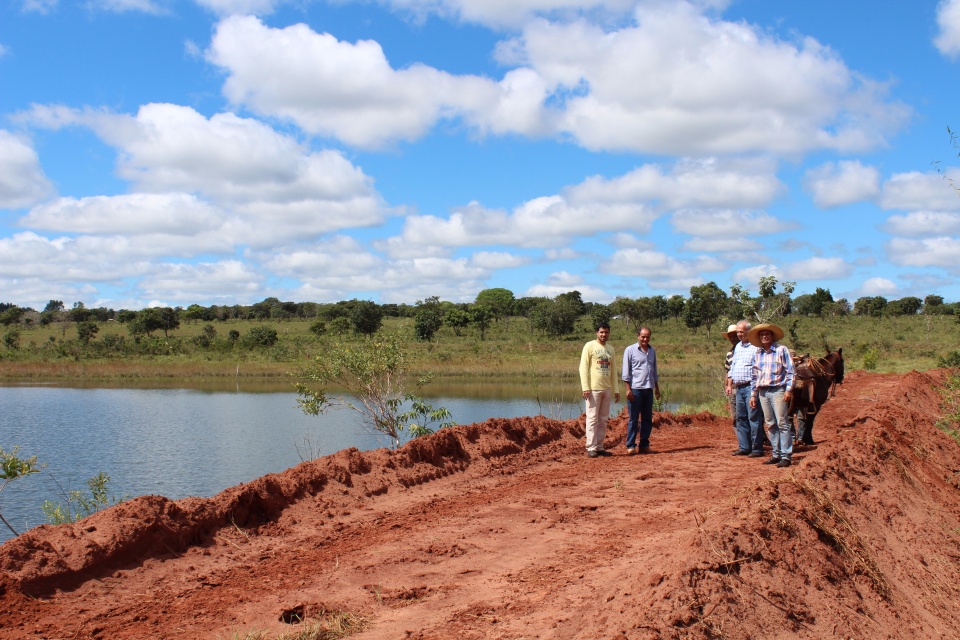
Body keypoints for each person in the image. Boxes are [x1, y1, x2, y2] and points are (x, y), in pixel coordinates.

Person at [748, 323, 796, 468]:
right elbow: (754, 376)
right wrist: (753, 394)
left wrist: (788, 390)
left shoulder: (781, 350)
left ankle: (786, 455)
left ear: (772, 336)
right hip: (763, 391)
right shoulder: (757, 354)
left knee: (782, 422)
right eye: (762, 335)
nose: (764, 337)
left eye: (767, 334)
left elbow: (791, 371)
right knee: (770, 423)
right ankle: (776, 454)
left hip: (777, 390)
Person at [580, 323, 620, 458]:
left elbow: (613, 370)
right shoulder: (589, 346)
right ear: (597, 333)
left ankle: (600, 446)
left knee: (603, 419)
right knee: (592, 418)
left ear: (609, 333)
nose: (604, 334)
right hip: (593, 389)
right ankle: (591, 447)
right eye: (601, 332)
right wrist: (585, 387)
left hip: (606, 388)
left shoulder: (610, 349)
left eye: (606, 332)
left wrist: (616, 390)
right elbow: (583, 368)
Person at [725, 320, 764, 458]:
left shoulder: (756, 347)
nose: (739, 335)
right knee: (741, 418)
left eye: (741, 332)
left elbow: (759, 368)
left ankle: (757, 448)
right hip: (739, 387)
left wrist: (755, 390)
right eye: (738, 332)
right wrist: (729, 384)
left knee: (753, 417)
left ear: (748, 332)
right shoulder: (738, 348)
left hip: (750, 387)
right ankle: (744, 446)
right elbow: (733, 367)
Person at [622, 326, 661, 454]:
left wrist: (657, 389)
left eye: (647, 337)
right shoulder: (630, 350)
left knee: (647, 418)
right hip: (636, 389)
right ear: (638, 336)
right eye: (643, 336)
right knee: (633, 418)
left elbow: (654, 371)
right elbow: (626, 371)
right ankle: (631, 445)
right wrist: (628, 389)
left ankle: (644, 445)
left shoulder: (652, 351)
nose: (645, 339)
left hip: (648, 388)